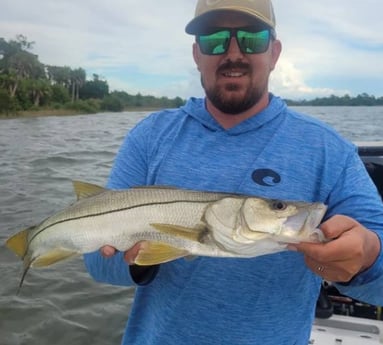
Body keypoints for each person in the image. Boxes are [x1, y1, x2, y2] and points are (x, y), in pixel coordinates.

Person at [84, 0, 383, 344]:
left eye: (252, 38)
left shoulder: (330, 150)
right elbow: (97, 265)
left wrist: (367, 258)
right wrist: (142, 257)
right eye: (214, 39)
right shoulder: (149, 137)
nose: (233, 53)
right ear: (197, 54)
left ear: (275, 52)